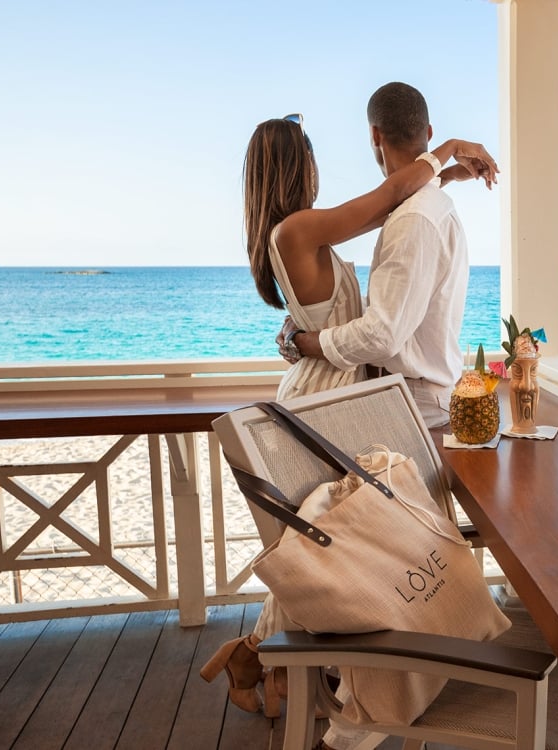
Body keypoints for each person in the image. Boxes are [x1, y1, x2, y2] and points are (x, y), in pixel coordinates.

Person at [200, 86, 498, 750]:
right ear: (293, 168)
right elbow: (390, 200)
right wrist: (447, 148)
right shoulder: (300, 228)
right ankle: (308, 675)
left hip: (335, 386)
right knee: (325, 539)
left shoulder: (304, 227)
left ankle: (264, 661)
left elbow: (395, 199)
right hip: (325, 393)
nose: (316, 167)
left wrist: (441, 171)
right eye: (307, 157)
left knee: (320, 538)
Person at [282, 81, 479, 429]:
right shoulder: (424, 209)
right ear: (429, 132)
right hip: (412, 396)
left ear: (375, 135)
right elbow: (392, 199)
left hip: (413, 402)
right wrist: (443, 170)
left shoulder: (414, 217)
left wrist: (304, 341)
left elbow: (380, 335)